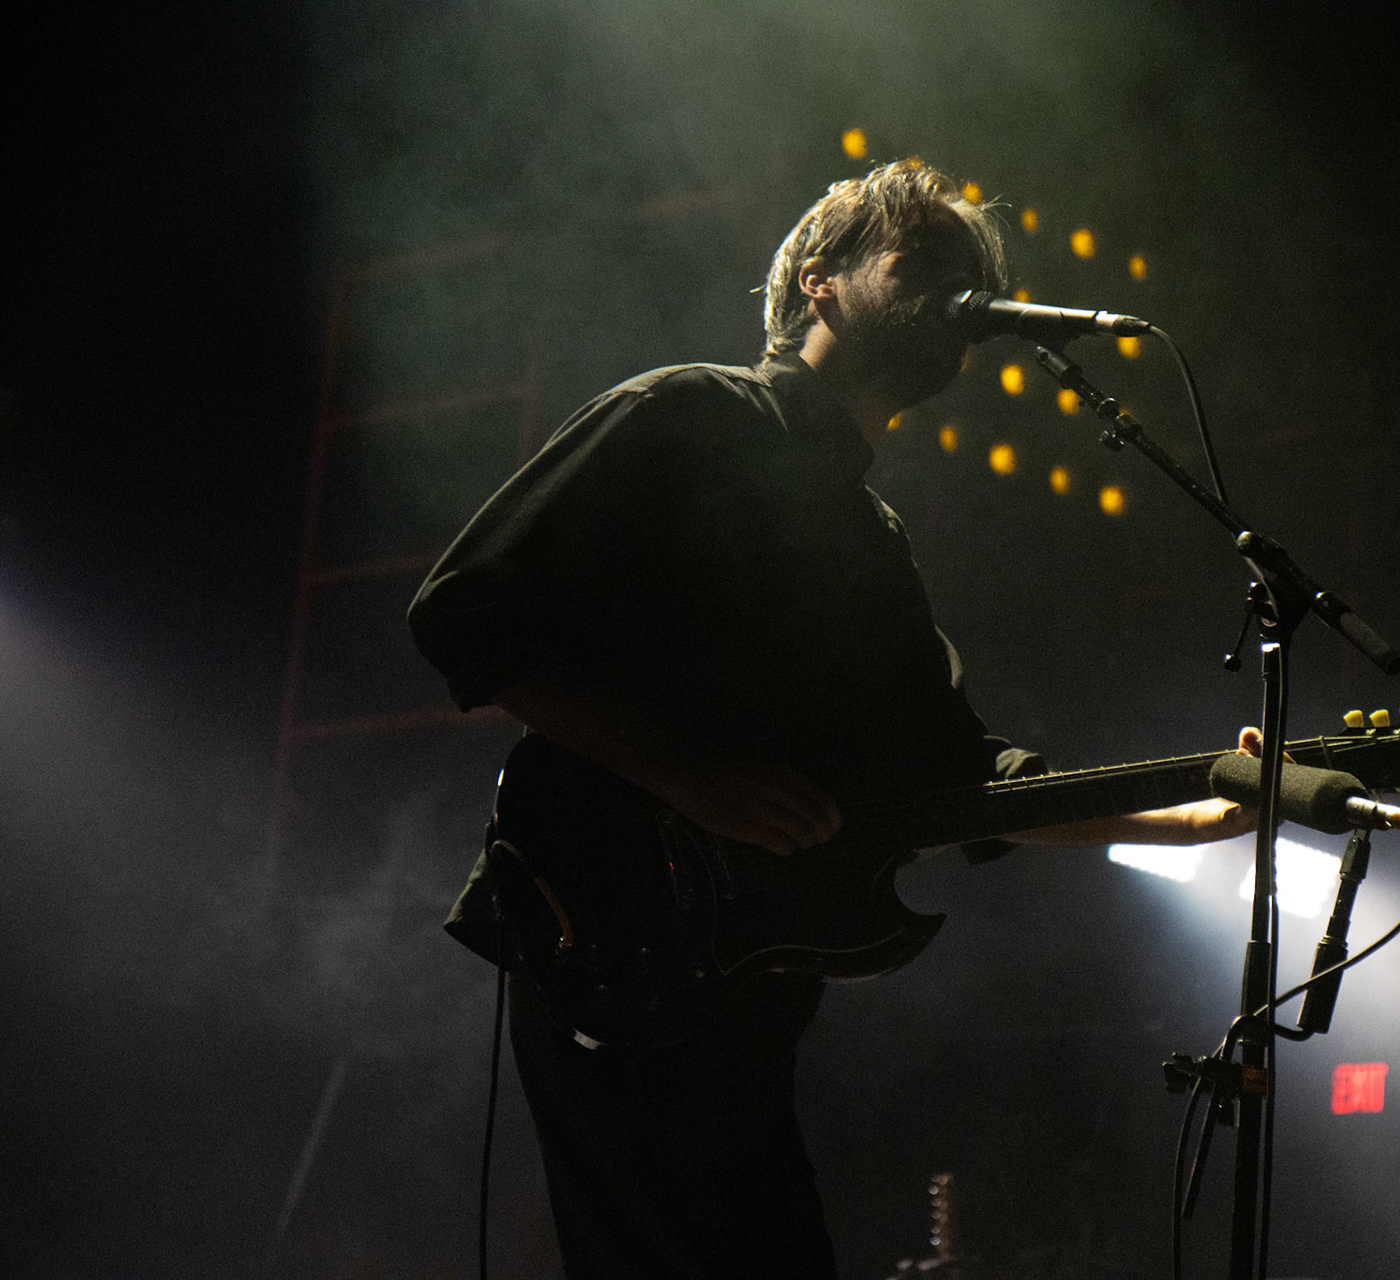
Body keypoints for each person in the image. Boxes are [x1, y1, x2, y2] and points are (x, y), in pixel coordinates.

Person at [408, 159, 1260, 1279]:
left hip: (744, 987)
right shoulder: (686, 412)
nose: (954, 294)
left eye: (968, 276)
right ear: (819, 280)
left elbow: (959, 781)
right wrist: (685, 778)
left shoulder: (871, 539)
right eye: (921, 263)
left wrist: (1193, 815)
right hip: (612, 931)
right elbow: (466, 611)